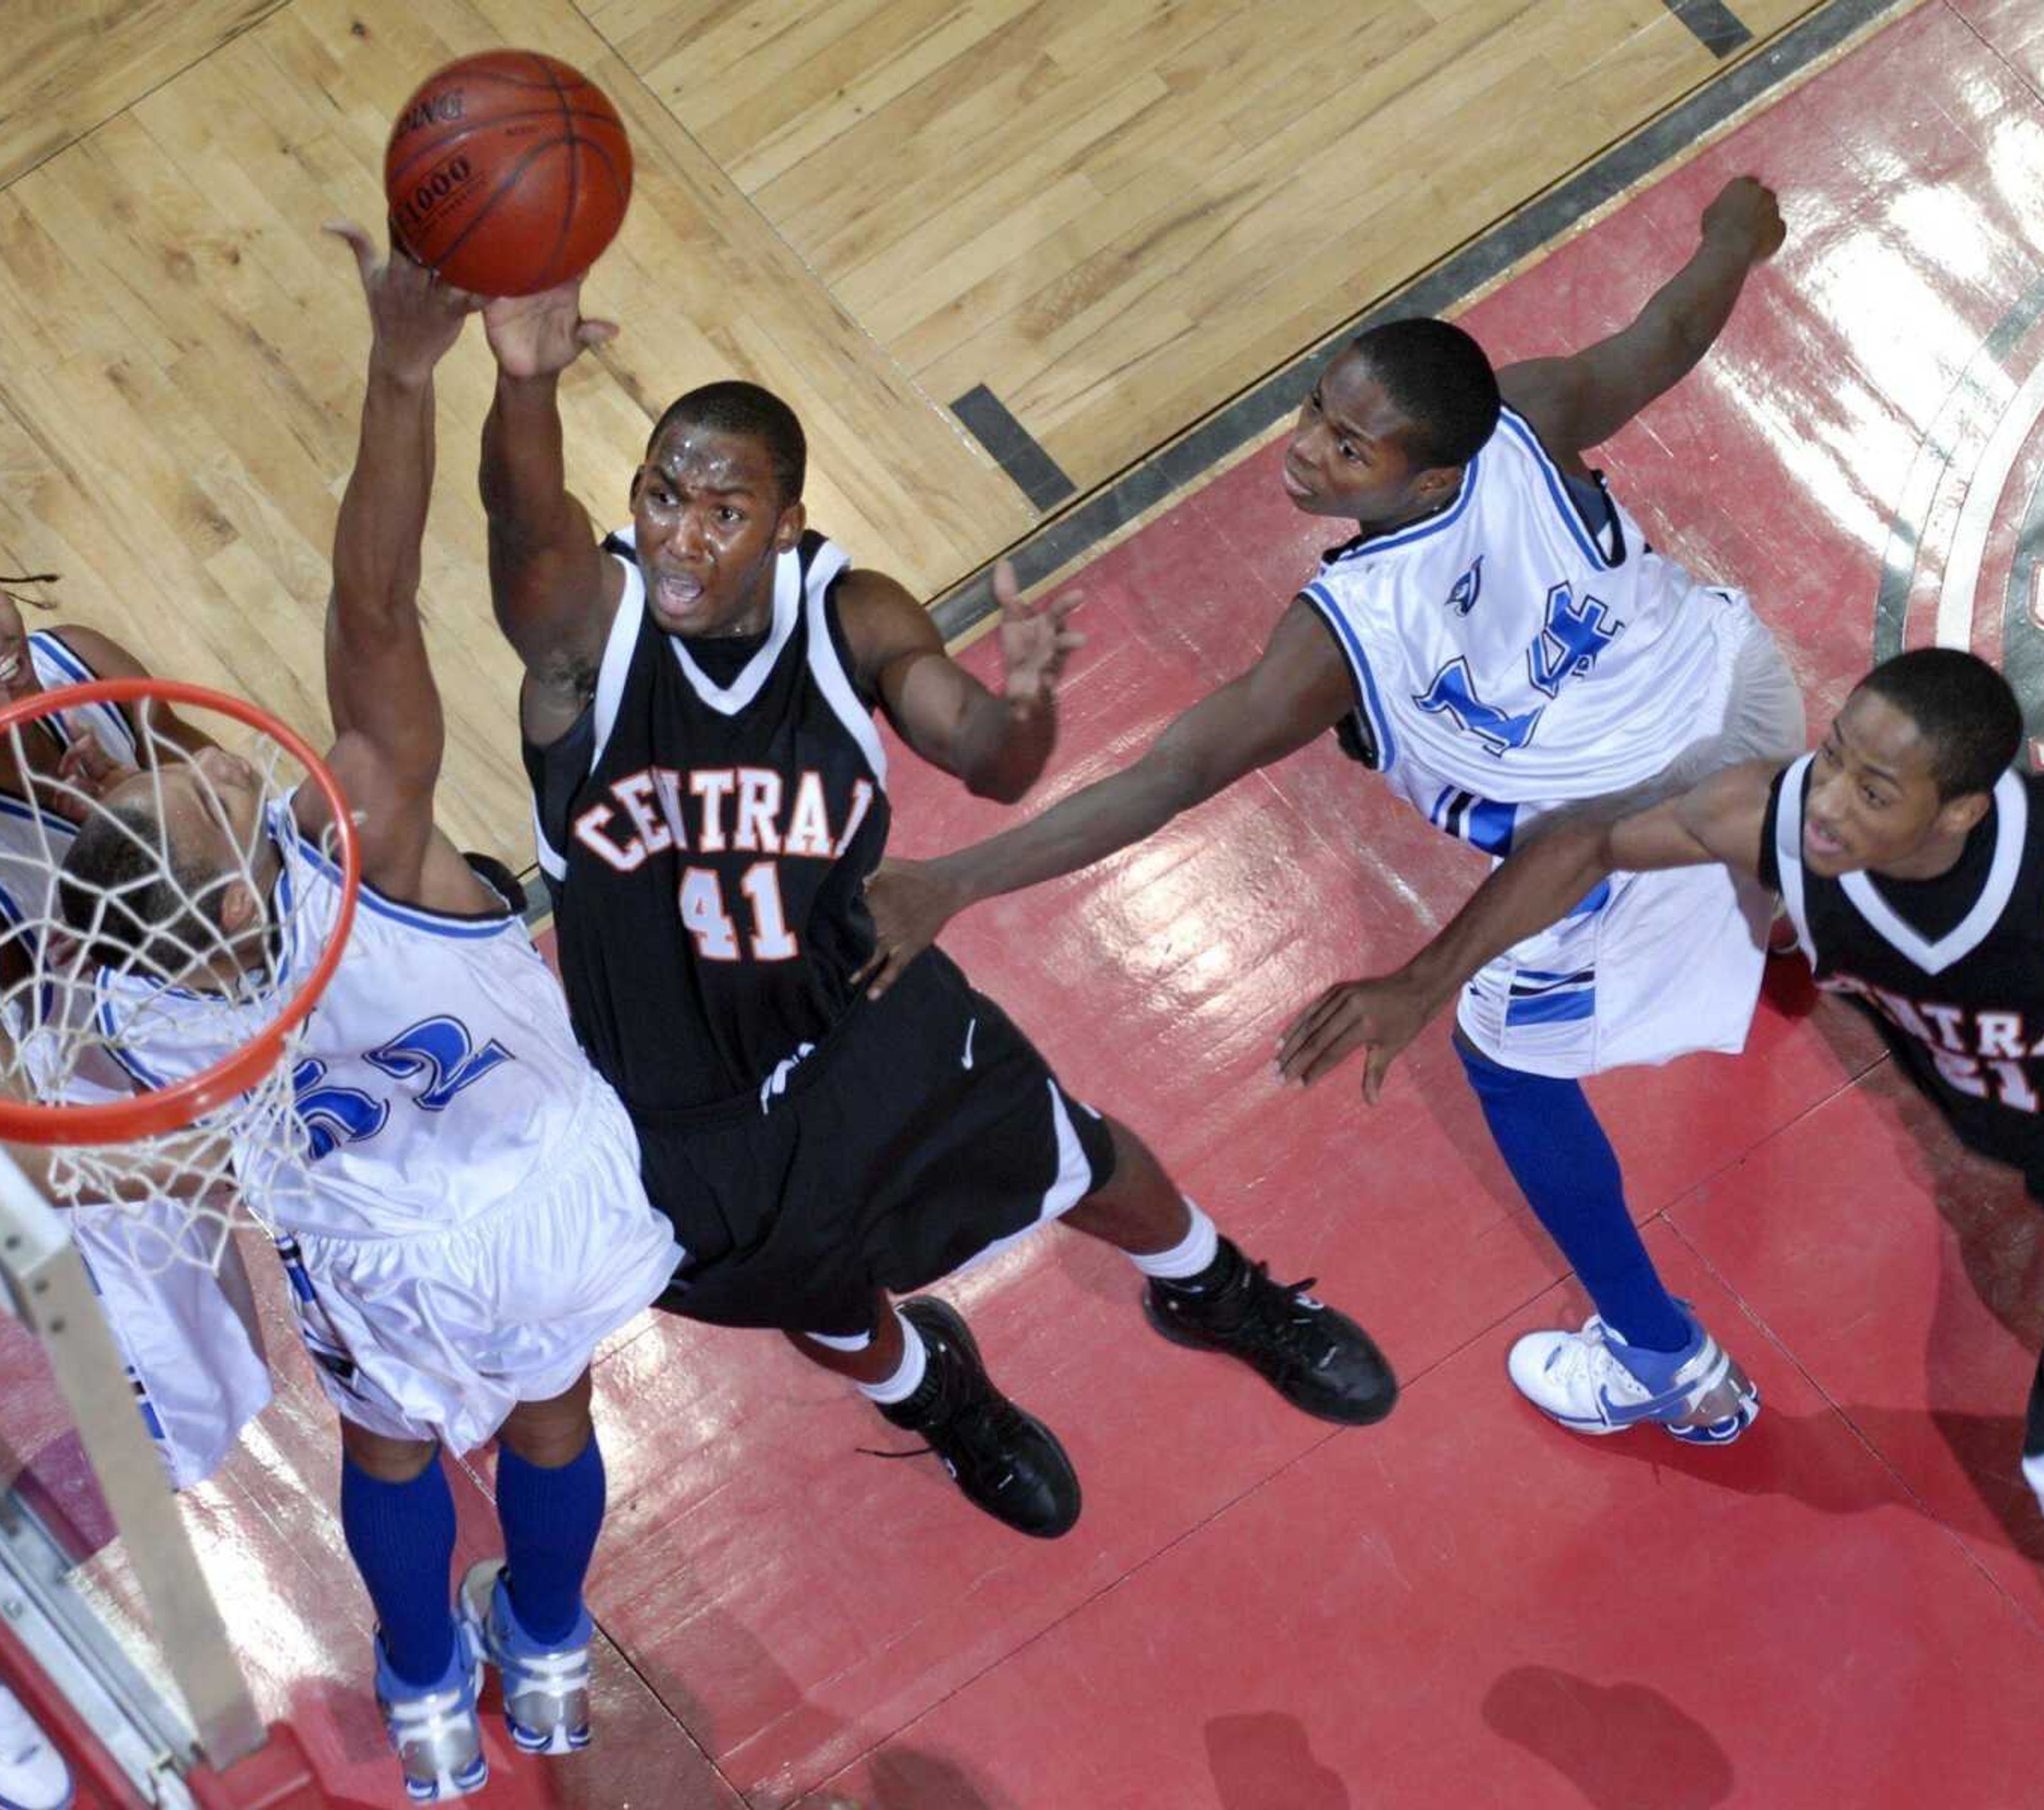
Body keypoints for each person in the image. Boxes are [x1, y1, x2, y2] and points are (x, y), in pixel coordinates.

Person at [859, 177, 1801, 1447]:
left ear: (1424, 485)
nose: (1307, 447)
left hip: (1637, 842)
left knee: (1501, 1052)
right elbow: (1664, 337)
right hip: (1745, 688)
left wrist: (961, 877)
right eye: (1319, 407)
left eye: (1351, 448)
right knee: (1778, 832)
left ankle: (1665, 1362)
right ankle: (1793, 911)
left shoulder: (1341, 633)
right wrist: (1736, 237)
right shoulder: (1526, 412)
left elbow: (1171, 776)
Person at [472, 279, 1397, 1545]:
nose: (684, 538)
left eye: (725, 511)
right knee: (814, 1293)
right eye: (663, 498)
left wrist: (1023, 704)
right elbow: (522, 530)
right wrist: (524, 383)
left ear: (787, 526)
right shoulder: (593, 635)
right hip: (680, 1098)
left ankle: (1212, 1286)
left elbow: (988, 759)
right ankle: (940, 1396)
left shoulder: (848, 616)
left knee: (1072, 1155)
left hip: (853, 1017)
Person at [57, 225, 679, 1802]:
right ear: (215, 865)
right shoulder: (372, 841)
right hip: (548, 1179)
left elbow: (144, 1177)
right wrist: (404, 370)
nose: (210, 748)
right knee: (556, 1407)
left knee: (392, 1452)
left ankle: (424, 1700)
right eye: (191, 777)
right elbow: (376, 598)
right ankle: (540, 1649)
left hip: (378, 1250)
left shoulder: (140, 1030)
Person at [1274, 648, 2044, 1530]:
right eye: (1835, 754)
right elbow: (1589, 843)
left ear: (1962, 810)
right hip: (2028, 1146)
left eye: (1873, 792)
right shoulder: (1775, 819)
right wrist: (1423, 982)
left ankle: (1658, 1364)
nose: (1829, 803)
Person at [0, 532, 275, 1810]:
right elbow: (12, 1152)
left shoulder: (90, 676)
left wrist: (174, 810)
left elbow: (239, 847)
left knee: (220, 1393)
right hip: (42, 1150)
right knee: (174, 1418)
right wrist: (195, 1162)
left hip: (159, 1062)